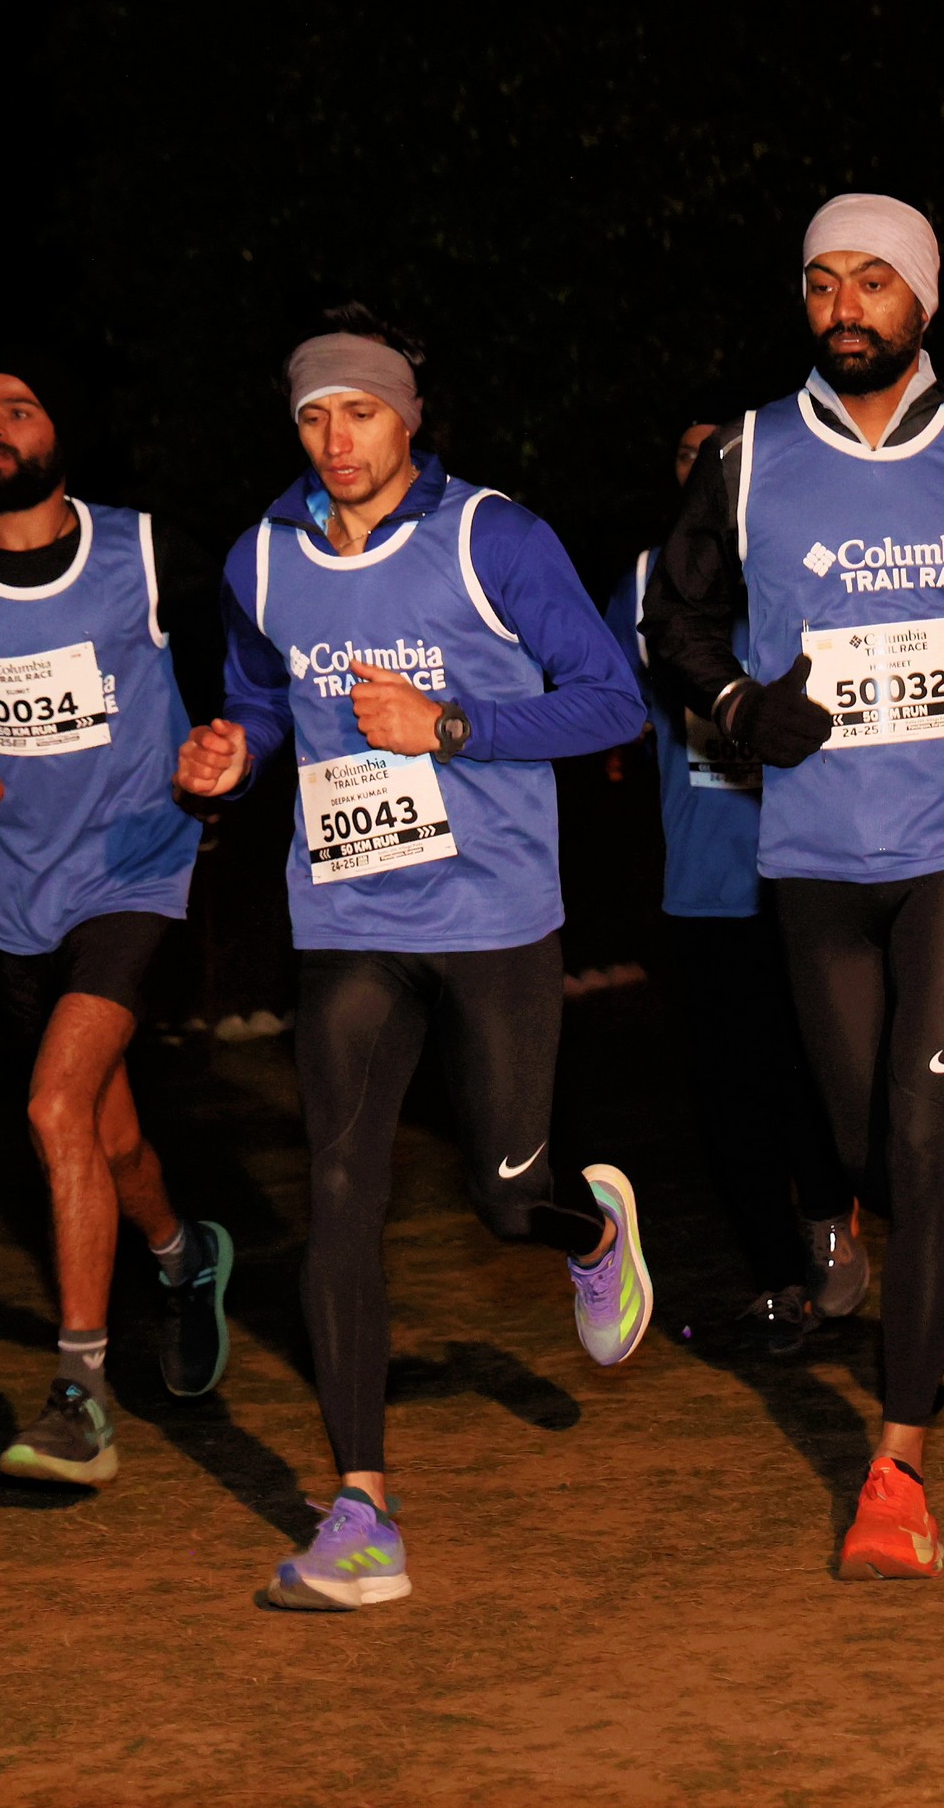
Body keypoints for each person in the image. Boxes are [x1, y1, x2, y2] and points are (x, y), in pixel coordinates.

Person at [644, 193, 944, 1579]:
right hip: (817, 851)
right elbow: (676, 616)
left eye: (872, 282)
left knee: (916, 1123)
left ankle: (895, 1469)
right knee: (861, 1152)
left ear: (922, 300)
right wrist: (737, 705)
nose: (844, 307)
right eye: (822, 282)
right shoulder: (749, 454)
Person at [177, 317, 651, 1611]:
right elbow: (261, 693)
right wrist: (234, 751)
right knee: (339, 1191)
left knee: (505, 1193)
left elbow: (611, 698)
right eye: (313, 417)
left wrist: (448, 723)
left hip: (493, 910)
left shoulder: (493, 536)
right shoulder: (261, 556)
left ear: (409, 417)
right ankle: (361, 1509)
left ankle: (589, 1227)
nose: (336, 440)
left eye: (361, 413)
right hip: (349, 911)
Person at [0, 362, 229, 1489]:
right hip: (7, 897)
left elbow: (232, 680)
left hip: (132, 871)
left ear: (63, 434)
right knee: (106, 1141)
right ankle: (185, 1257)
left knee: (52, 1104)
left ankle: (80, 1396)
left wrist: (219, 758)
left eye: (17, 410)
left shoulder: (145, 554)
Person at [600, 422, 863, 1355]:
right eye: (686, 454)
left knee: (819, 1070)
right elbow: (602, 697)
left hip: (820, 870)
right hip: (706, 882)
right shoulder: (644, 580)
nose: (703, 467)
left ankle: (828, 1213)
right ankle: (774, 1279)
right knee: (728, 1089)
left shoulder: (819, 560)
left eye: (721, 452)